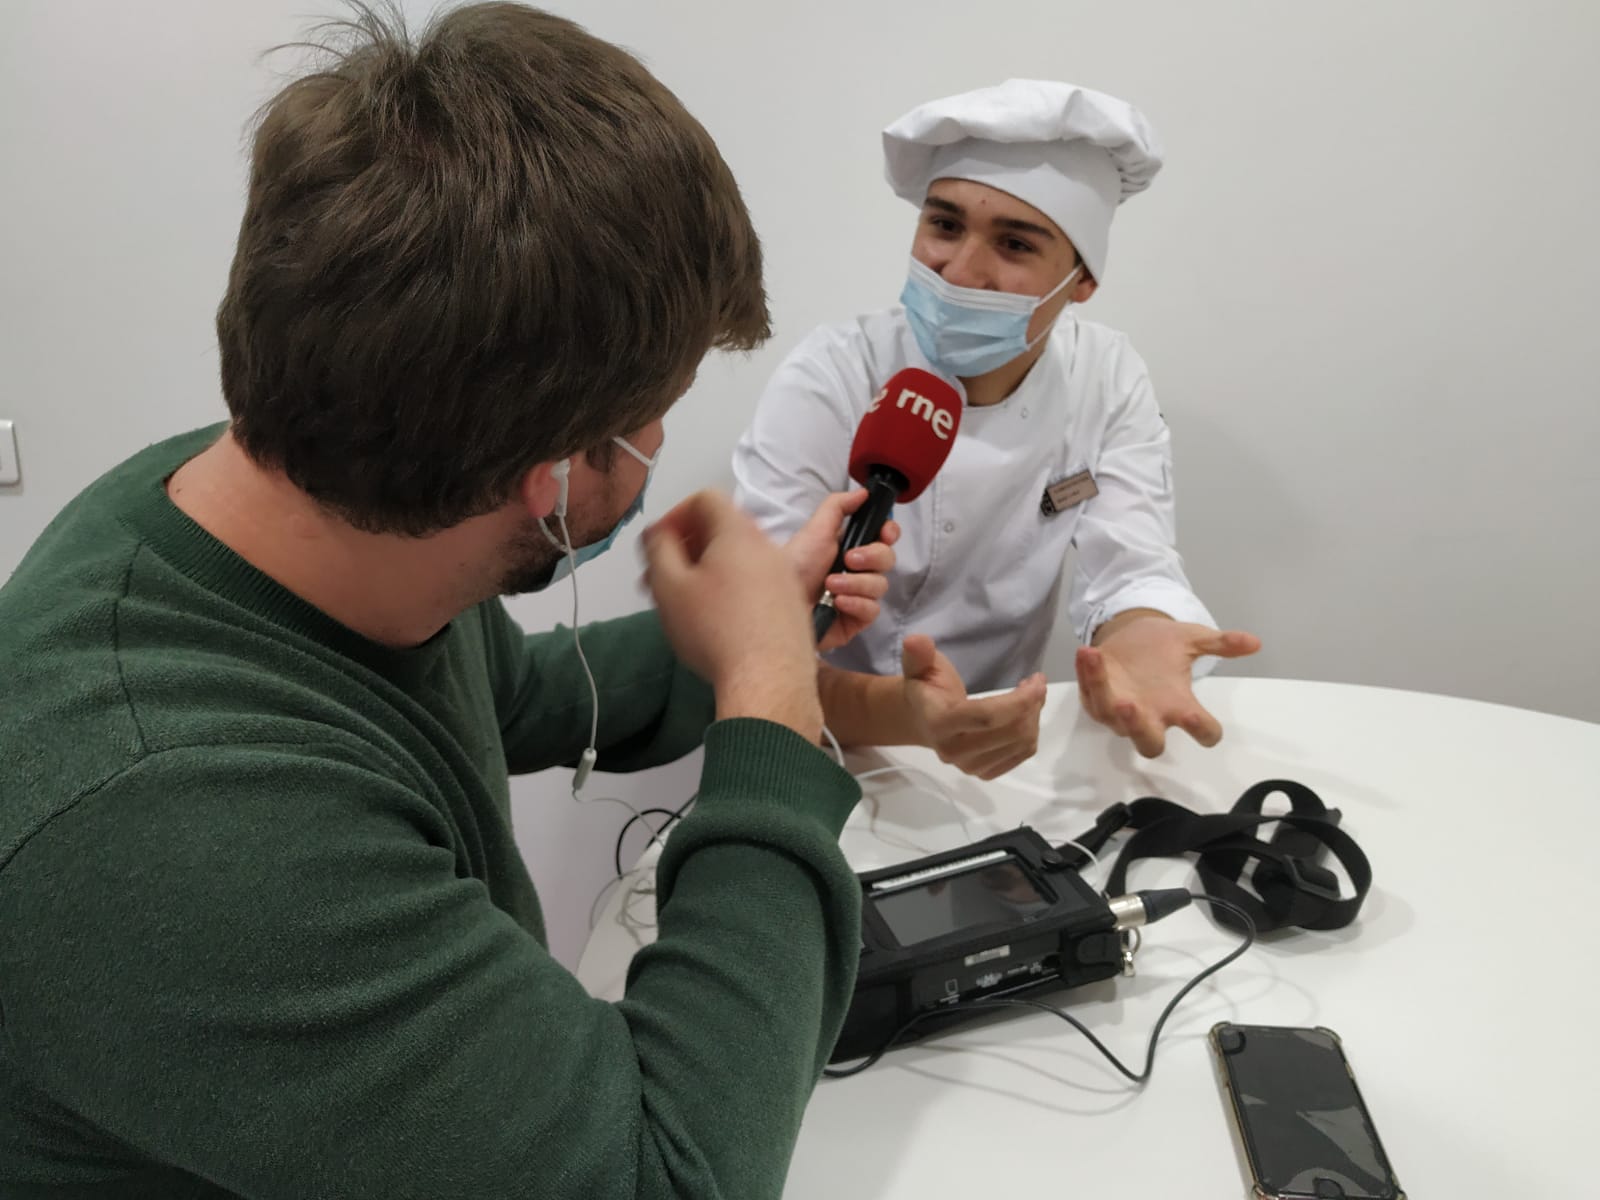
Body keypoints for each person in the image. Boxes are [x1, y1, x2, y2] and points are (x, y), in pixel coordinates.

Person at [0, 7, 896, 1198]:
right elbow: (675, 1176)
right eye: (652, 420)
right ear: (554, 476)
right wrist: (770, 708)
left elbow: (511, 697)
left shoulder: (315, 490)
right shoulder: (183, 837)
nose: (660, 448)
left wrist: (749, 629)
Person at [734, 80, 1261, 777]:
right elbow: (750, 634)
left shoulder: (1106, 378)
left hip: (994, 748)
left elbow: (1131, 562)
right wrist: (904, 715)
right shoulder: (835, 373)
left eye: (1014, 243)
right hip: (806, 734)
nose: (960, 269)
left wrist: (1141, 636)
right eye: (944, 225)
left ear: (1080, 282)